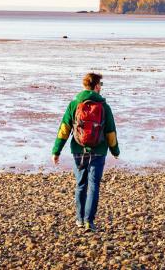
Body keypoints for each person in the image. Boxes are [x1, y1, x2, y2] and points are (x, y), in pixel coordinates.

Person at [52, 72, 119, 232]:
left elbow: (64, 129)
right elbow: (111, 132)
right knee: (94, 185)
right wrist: (115, 150)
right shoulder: (104, 106)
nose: (101, 88)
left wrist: (57, 150)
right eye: (100, 85)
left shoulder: (74, 104)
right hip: (99, 150)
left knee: (81, 184)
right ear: (96, 86)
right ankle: (89, 222)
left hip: (78, 149)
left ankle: (80, 220)